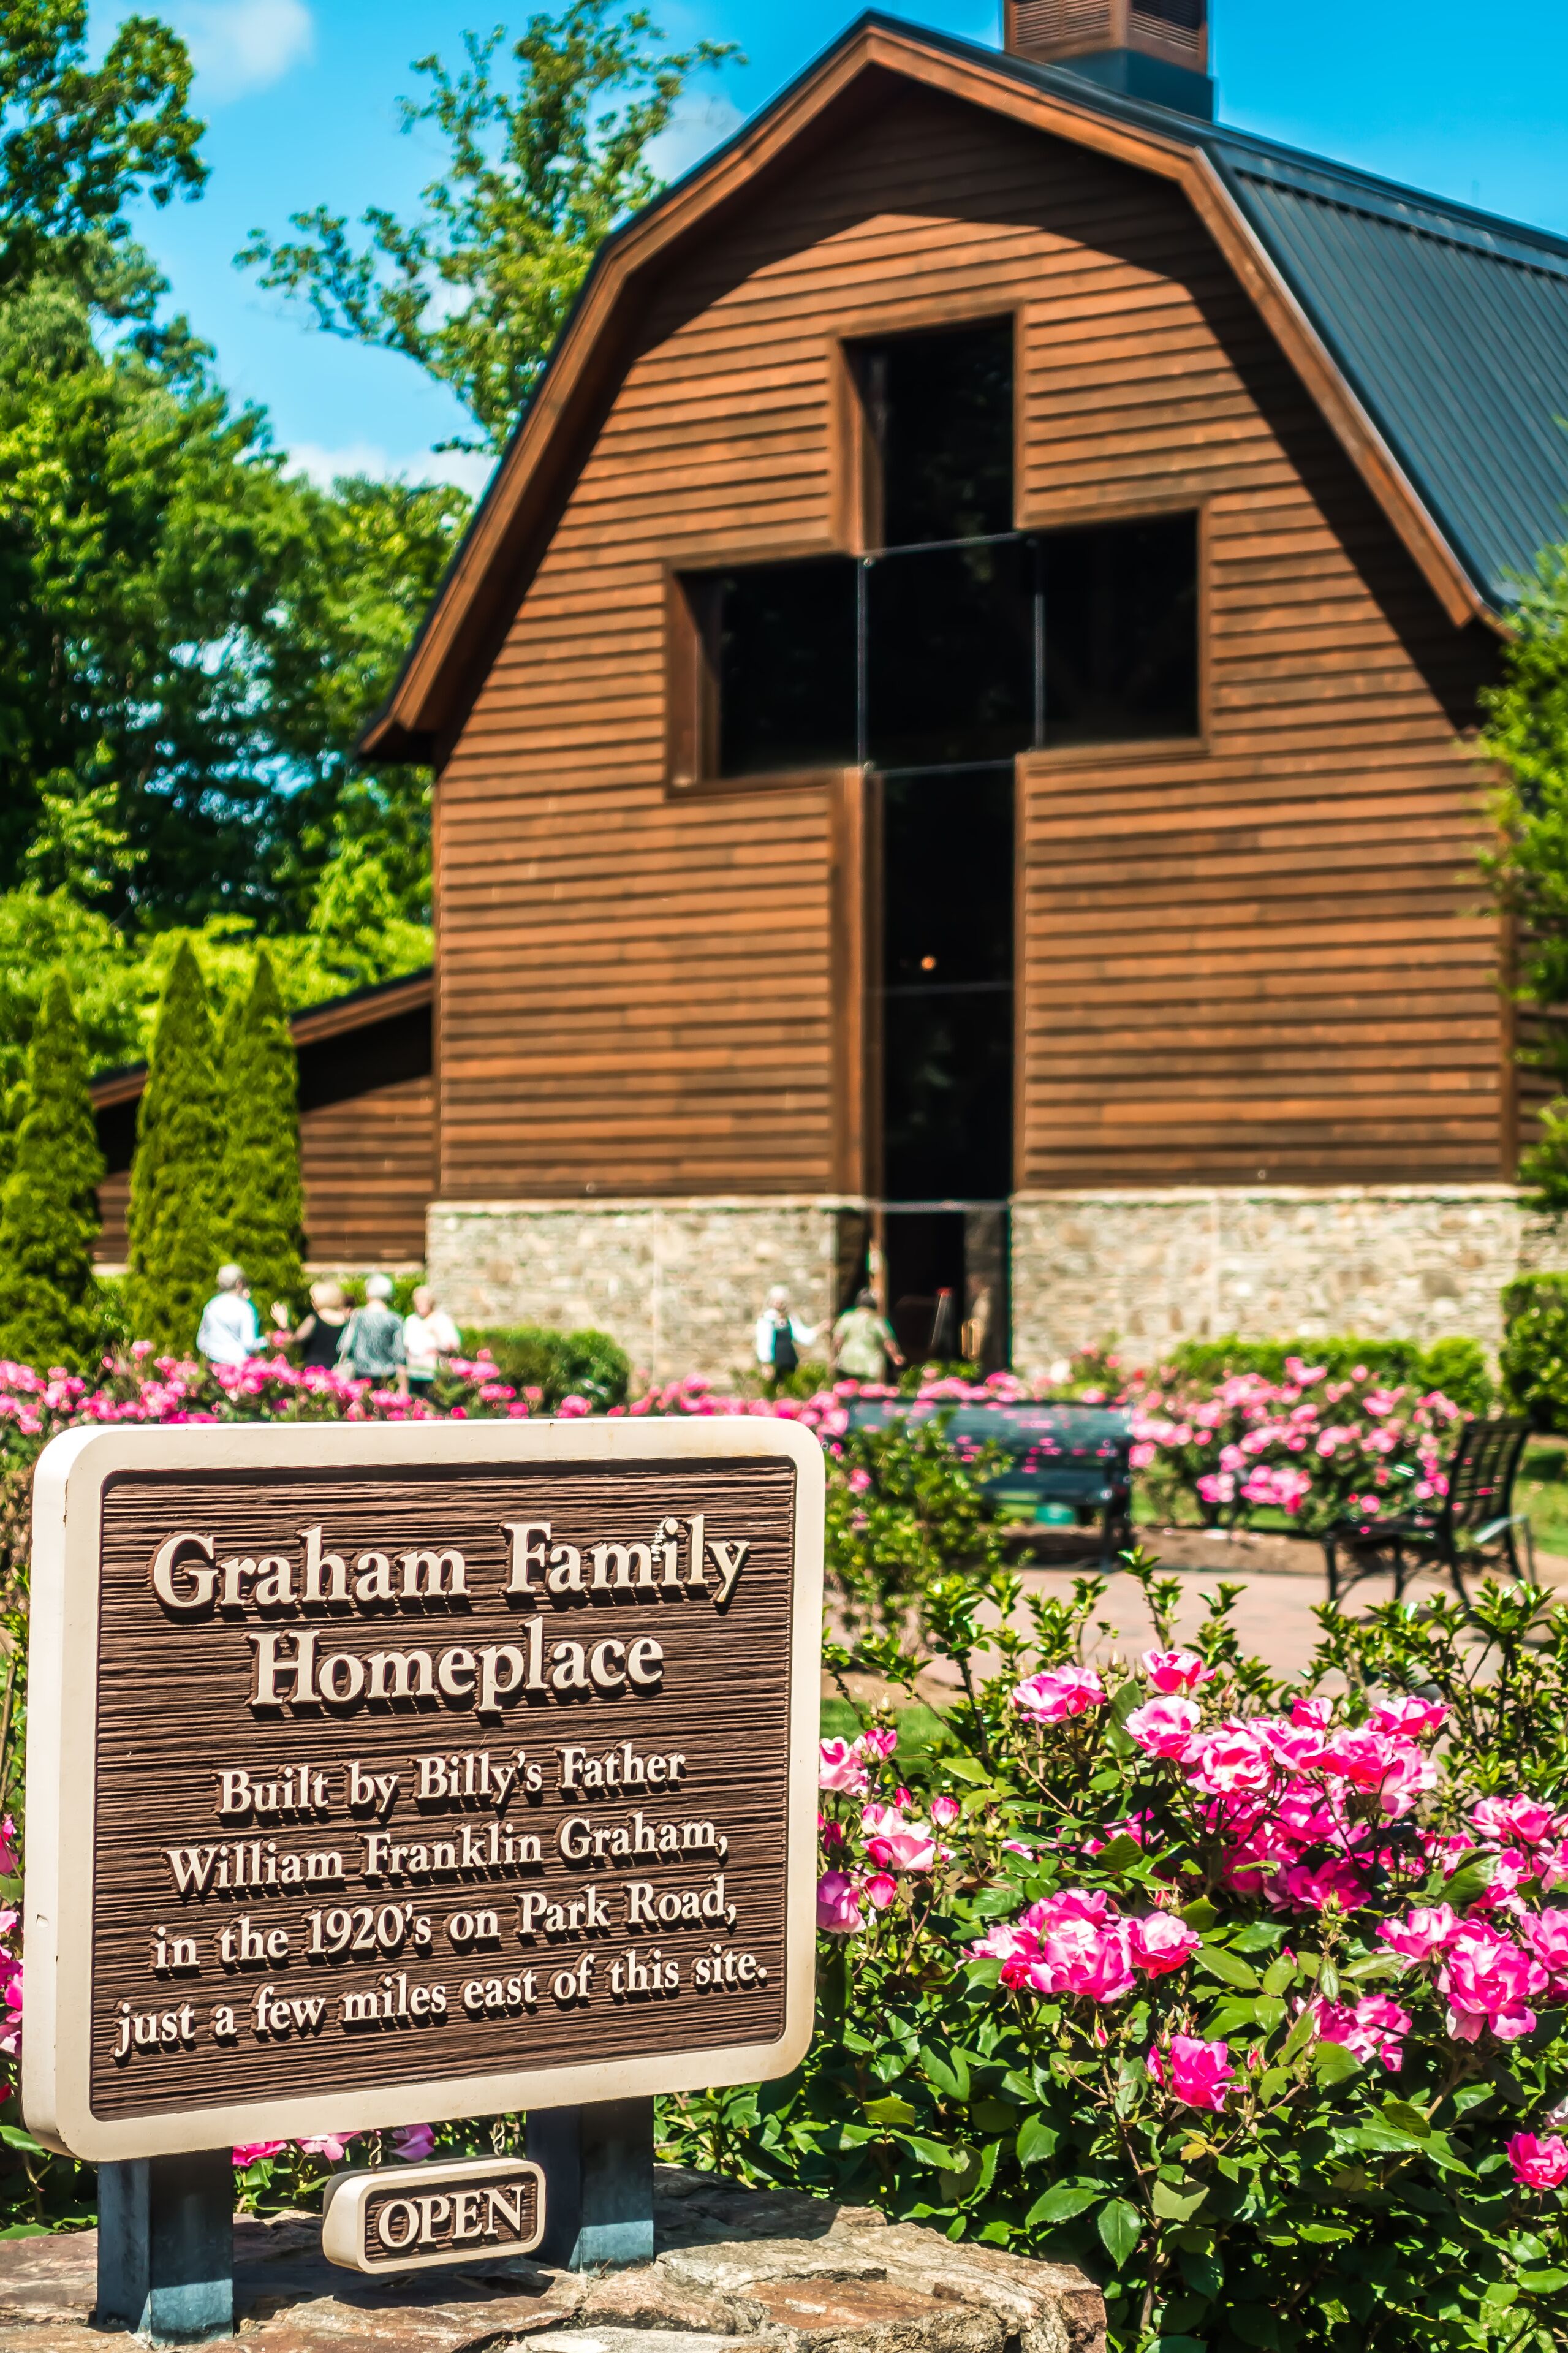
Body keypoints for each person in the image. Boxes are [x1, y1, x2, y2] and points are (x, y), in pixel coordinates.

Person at [195, 1265, 280, 1368]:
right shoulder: (245, 1308)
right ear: (239, 1284)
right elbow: (248, 1344)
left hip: (212, 1364)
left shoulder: (211, 1306)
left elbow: (201, 1340)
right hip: (236, 1368)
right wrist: (267, 1341)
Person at [338, 1274, 408, 1392]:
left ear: (368, 1293)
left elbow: (343, 1346)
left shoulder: (357, 1316)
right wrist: (403, 1388)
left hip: (360, 1375)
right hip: (387, 1377)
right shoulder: (395, 1320)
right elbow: (400, 1355)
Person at [831, 1287, 904, 1385]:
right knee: (867, 1395)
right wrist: (895, 1357)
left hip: (847, 1363)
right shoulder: (876, 1321)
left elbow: (837, 1340)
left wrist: (835, 1356)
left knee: (847, 1392)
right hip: (869, 1366)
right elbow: (888, 1342)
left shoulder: (847, 1317)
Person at [754, 1286, 816, 1395]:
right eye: (776, 1300)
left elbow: (802, 1335)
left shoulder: (790, 1318)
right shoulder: (767, 1319)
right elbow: (764, 1342)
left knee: (790, 1390)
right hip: (775, 1361)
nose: (779, 1303)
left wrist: (819, 1329)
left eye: (781, 1301)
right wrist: (766, 1363)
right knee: (774, 1391)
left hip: (789, 1360)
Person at [403, 1285, 461, 1398]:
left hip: (434, 1374)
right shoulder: (411, 1320)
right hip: (415, 1373)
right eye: (417, 1301)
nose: (419, 1305)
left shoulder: (441, 1319)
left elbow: (453, 1344)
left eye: (423, 1301)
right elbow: (406, 1344)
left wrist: (437, 1344)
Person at [292, 1279, 351, 1370]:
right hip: (337, 1370)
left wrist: (284, 1326)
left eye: (313, 1299)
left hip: (314, 1371)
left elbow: (297, 1339)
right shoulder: (347, 1320)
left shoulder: (314, 1319)